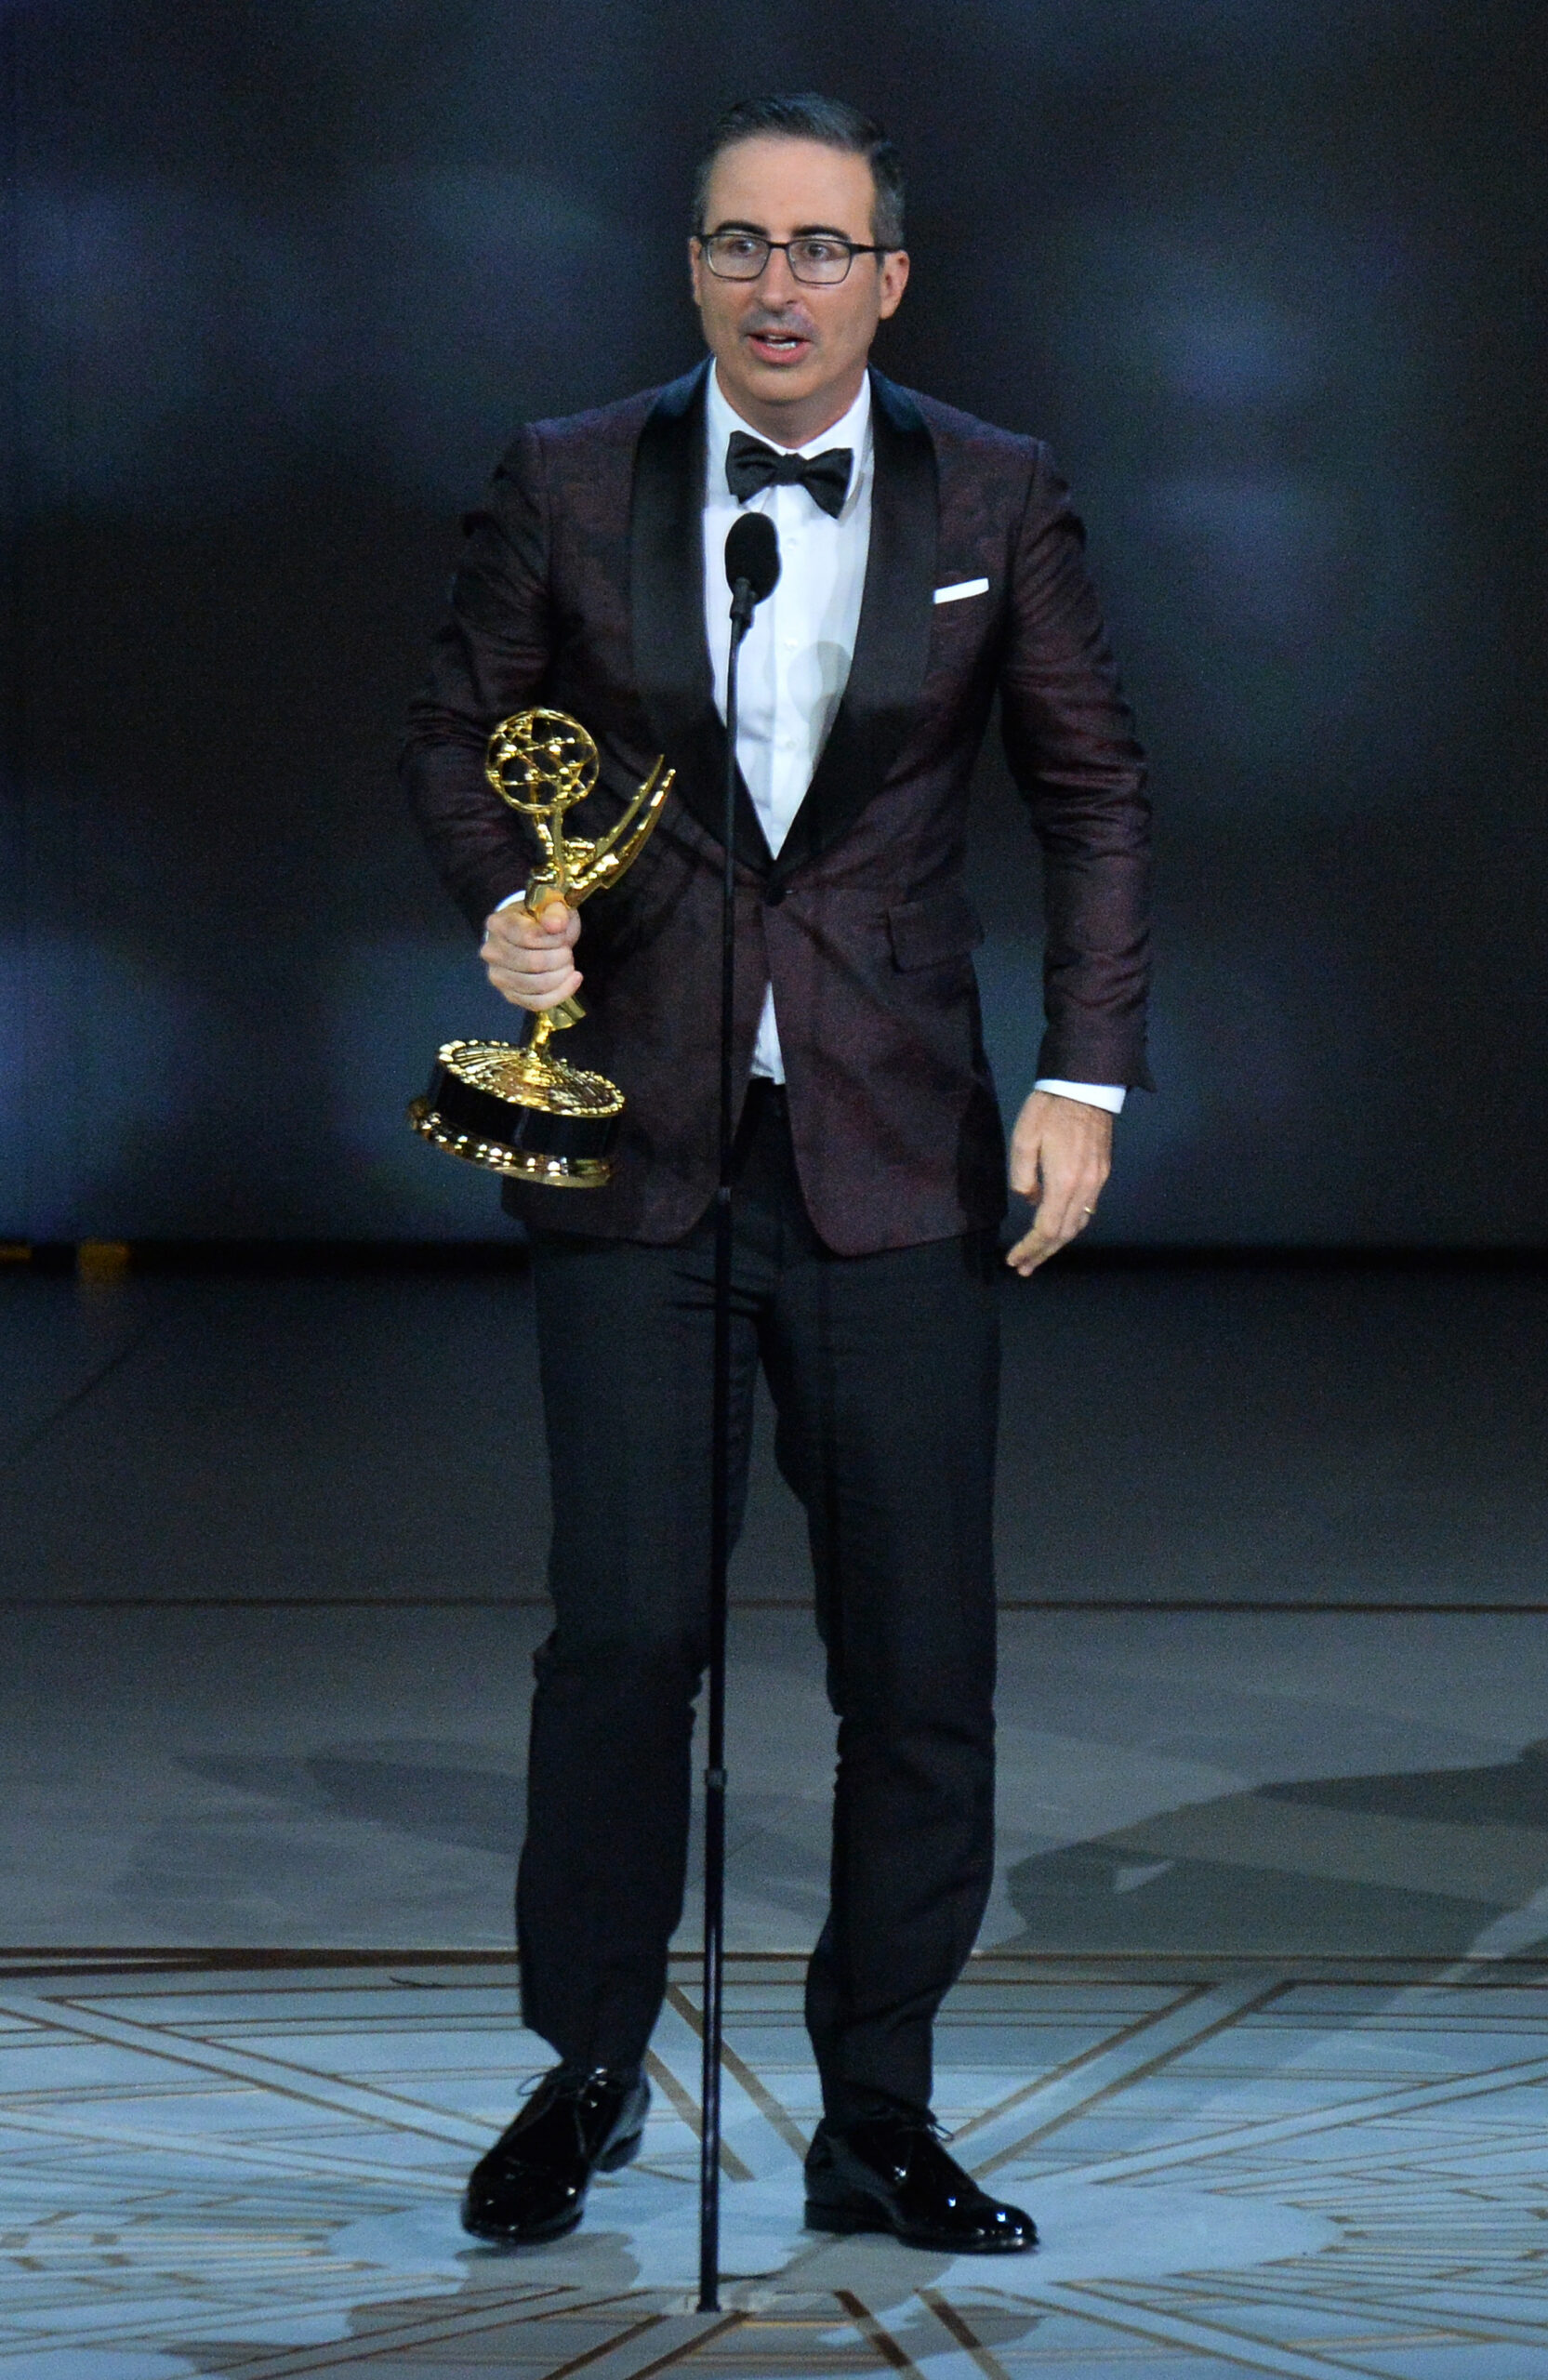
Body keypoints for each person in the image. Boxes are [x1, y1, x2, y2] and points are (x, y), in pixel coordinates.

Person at [403, 92, 1151, 2254]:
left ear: (887, 279)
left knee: (915, 1659)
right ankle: (585, 2071)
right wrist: (502, 901)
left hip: (899, 1154)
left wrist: (1085, 1079)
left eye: (820, 250)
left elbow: (1093, 788)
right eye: (738, 246)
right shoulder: (572, 472)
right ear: (693, 271)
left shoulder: (990, 487)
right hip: (632, 1144)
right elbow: (457, 729)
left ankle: (878, 2108)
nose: (777, 287)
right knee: (623, 1638)